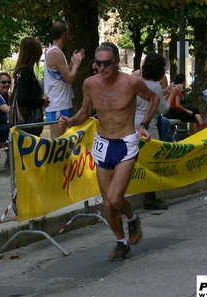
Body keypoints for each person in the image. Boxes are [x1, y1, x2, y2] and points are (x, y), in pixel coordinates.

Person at [59, 42, 160, 261]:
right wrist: (70, 121)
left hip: (126, 143)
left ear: (116, 62)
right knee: (107, 203)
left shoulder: (132, 82)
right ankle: (122, 242)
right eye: (99, 63)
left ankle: (132, 218)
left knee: (115, 199)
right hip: (102, 143)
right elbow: (84, 114)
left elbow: (154, 99)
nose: (102, 68)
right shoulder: (90, 84)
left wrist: (144, 124)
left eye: (107, 63)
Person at [133, 53, 175, 210]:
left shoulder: (137, 82)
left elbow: (148, 96)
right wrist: (172, 94)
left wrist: (165, 91)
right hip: (148, 126)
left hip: (132, 124)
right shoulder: (156, 86)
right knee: (151, 162)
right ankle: (149, 197)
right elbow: (163, 108)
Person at [44, 19, 85, 138]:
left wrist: (72, 62)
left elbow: (63, 75)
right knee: (58, 144)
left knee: (61, 145)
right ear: (64, 34)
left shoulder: (56, 52)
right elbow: (70, 78)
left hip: (60, 103)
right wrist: (76, 64)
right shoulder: (56, 53)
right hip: (58, 105)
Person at [11, 37, 50, 135]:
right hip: (28, 123)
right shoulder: (27, 71)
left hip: (24, 123)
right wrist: (42, 101)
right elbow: (22, 98)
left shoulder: (20, 71)